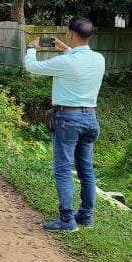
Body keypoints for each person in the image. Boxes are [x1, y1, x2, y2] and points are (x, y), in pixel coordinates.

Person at [26, 17, 105, 232]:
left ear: (70, 33)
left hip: (69, 119)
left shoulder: (66, 62)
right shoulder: (99, 59)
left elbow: (31, 67)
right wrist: (66, 49)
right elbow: (78, 60)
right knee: (86, 169)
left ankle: (67, 220)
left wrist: (31, 48)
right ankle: (86, 216)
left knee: (62, 168)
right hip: (90, 118)